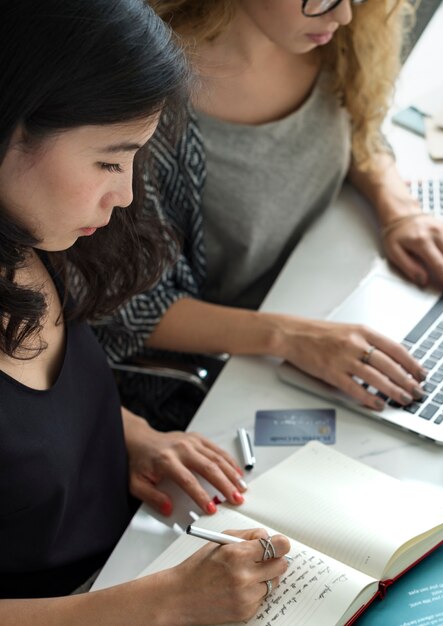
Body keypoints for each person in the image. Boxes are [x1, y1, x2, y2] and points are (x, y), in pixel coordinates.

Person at [0, 0, 289, 620]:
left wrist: (126, 436)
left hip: (129, 555)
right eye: (108, 160)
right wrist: (165, 604)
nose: (126, 193)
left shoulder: (28, 235)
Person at [95, 0, 443, 431]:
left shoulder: (335, 36)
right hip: (238, 360)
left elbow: (359, 124)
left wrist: (400, 212)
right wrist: (292, 337)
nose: (345, 16)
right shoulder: (148, 94)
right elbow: (126, 306)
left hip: (328, 293)